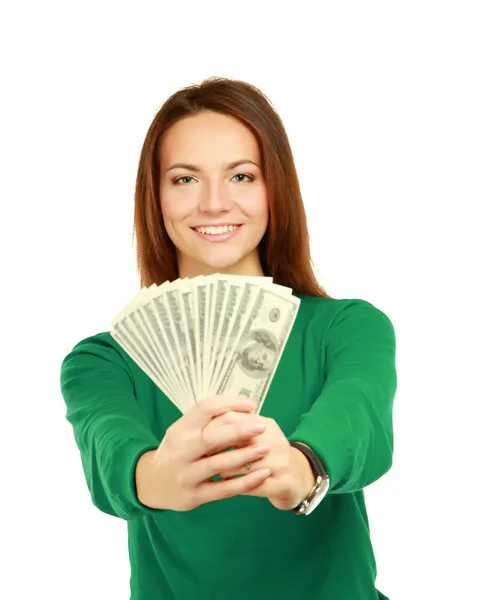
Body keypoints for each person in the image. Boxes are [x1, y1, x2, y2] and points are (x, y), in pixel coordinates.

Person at [60, 76, 397, 600]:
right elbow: (110, 453)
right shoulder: (102, 361)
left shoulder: (348, 327)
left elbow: (360, 420)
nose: (214, 203)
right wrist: (155, 478)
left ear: (275, 188)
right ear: (155, 197)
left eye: (242, 175)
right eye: (184, 179)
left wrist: (302, 464)